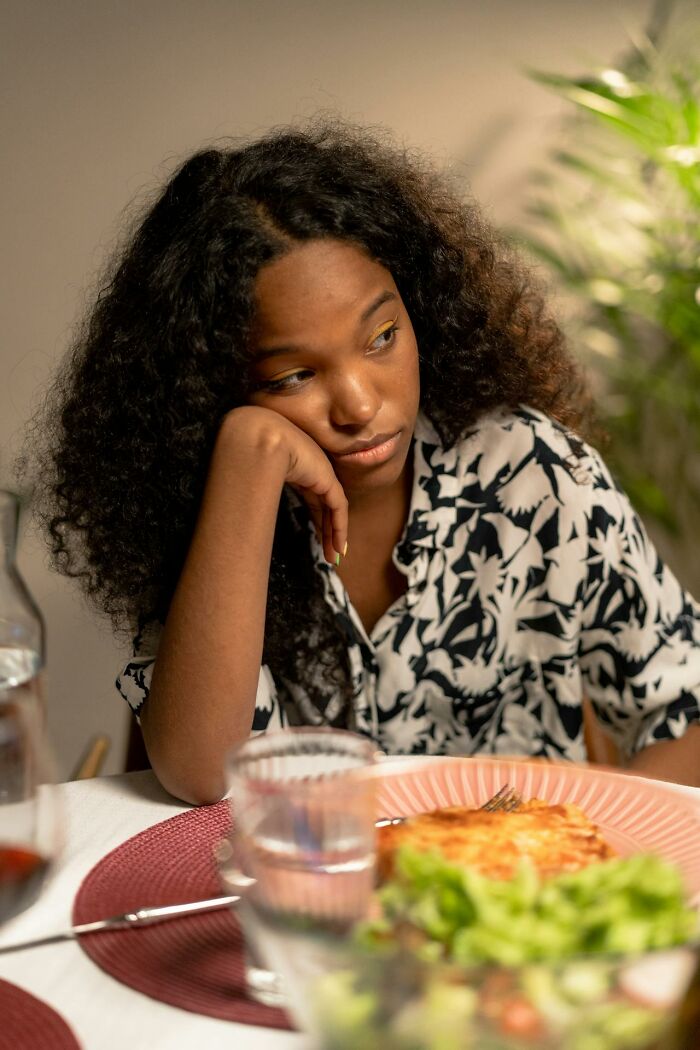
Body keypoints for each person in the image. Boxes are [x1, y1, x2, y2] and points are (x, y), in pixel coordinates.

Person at [31, 119, 700, 804]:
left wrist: (581, 838)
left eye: (381, 337)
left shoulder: (536, 473)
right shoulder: (219, 505)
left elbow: (689, 714)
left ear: (423, 312)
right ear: (208, 389)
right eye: (291, 376)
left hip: (515, 866)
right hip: (309, 873)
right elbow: (202, 775)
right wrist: (247, 455)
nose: (358, 404)